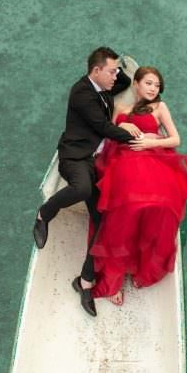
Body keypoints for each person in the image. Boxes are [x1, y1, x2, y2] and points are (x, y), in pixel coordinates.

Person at [33, 47, 144, 317]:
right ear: (95, 71)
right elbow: (104, 128)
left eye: (116, 70)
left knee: (104, 223)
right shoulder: (81, 94)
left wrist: (116, 70)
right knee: (81, 189)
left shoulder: (103, 85)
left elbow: (125, 82)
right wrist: (135, 136)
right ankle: (43, 214)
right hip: (75, 157)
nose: (116, 75)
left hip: (95, 162)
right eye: (111, 71)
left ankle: (84, 281)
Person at [89, 66, 187, 305]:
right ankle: (114, 278)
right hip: (124, 160)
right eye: (149, 83)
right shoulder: (121, 108)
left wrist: (151, 142)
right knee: (126, 209)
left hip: (152, 158)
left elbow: (176, 139)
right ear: (136, 84)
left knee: (160, 207)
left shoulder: (160, 107)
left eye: (157, 85)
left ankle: (142, 266)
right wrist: (122, 127)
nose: (153, 89)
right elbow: (106, 132)